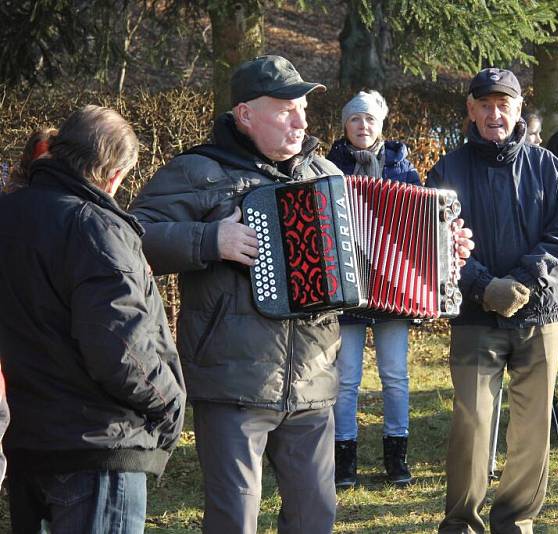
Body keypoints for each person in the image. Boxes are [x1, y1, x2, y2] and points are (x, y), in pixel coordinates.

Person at [131, 55, 473, 534]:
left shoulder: (326, 174)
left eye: (303, 109)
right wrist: (210, 241)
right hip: (234, 380)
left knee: (316, 516)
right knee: (234, 520)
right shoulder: (197, 171)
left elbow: (373, 261)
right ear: (245, 114)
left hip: (313, 378)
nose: (299, 120)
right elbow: (131, 235)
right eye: (284, 109)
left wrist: (440, 254)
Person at [0, 105, 187, 533]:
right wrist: (170, 402)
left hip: (25, 441)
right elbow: (119, 347)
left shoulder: (9, 214)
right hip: (97, 446)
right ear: (115, 174)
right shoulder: (95, 226)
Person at [429, 67, 558, 534]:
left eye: (504, 104)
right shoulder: (445, 170)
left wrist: (520, 281)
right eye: (485, 104)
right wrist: (481, 286)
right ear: (471, 111)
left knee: (532, 425)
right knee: (472, 423)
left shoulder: (551, 168)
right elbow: (432, 239)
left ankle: (516, 519)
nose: (495, 113)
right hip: (475, 315)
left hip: (539, 314)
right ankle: (461, 522)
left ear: (519, 109)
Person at [326, 90, 420, 488]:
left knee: (394, 374)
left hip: (393, 286)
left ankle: (396, 455)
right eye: (355, 120)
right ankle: (343, 457)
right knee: (346, 377)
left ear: (381, 125)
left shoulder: (402, 168)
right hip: (347, 285)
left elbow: (420, 224)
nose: (363, 127)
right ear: (345, 125)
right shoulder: (327, 168)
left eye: (370, 120)